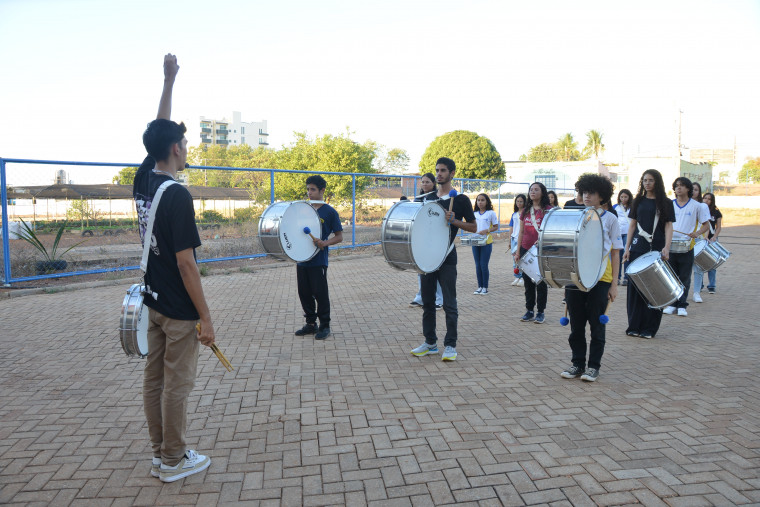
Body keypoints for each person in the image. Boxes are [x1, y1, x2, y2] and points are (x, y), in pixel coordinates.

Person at [133, 54, 215, 483]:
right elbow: (187, 264)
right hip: (180, 308)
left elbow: (157, 133)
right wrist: (205, 318)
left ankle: (160, 451)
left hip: (154, 301)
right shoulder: (179, 196)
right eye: (183, 144)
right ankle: (173, 459)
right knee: (176, 385)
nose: (186, 149)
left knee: (154, 380)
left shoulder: (144, 178)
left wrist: (168, 81)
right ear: (176, 149)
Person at [410, 157, 476, 361]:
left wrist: (454, 220)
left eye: (443, 170)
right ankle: (430, 343)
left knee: (449, 303)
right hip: (426, 258)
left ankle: (450, 345)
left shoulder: (461, 199)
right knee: (428, 302)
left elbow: (473, 227)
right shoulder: (426, 198)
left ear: (452, 173)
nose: (439, 174)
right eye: (437, 170)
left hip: (447, 257)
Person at [560, 174, 622, 382]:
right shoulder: (576, 215)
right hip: (576, 278)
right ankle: (577, 363)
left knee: (597, 325)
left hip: (601, 278)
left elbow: (615, 252)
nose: (586, 196)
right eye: (584, 192)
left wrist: (614, 284)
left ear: (602, 196)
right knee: (576, 325)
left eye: (591, 193)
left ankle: (593, 366)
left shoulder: (611, 219)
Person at [622, 169, 675, 339]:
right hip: (638, 248)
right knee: (635, 288)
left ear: (657, 182)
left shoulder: (666, 203)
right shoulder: (638, 201)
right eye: (645, 180)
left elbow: (668, 226)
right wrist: (627, 248)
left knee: (655, 289)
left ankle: (650, 328)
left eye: (651, 180)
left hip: (657, 249)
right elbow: (632, 225)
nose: (647, 183)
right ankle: (634, 326)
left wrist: (667, 247)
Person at [294, 175, 344, 340]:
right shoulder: (303, 209)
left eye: (313, 189)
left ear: (322, 190)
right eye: (308, 189)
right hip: (302, 259)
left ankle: (325, 325)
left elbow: (339, 237)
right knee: (304, 293)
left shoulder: (329, 212)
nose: (309, 193)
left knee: (320, 293)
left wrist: (324, 243)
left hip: (318, 260)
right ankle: (310, 324)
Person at [661, 177, 709, 316]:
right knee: (671, 276)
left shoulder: (696, 206)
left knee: (684, 277)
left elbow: (706, 225)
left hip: (686, 247)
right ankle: (672, 304)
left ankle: (682, 305)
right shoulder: (669, 204)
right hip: (670, 246)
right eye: (676, 186)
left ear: (688, 188)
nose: (678, 188)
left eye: (682, 186)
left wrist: (697, 233)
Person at [513, 182, 552, 324]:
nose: (532, 192)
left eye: (536, 189)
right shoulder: (526, 210)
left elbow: (551, 231)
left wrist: (542, 242)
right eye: (531, 190)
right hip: (525, 249)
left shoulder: (548, 210)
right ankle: (529, 310)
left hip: (540, 251)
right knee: (528, 283)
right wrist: (517, 252)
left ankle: (541, 312)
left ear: (543, 192)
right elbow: (521, 232)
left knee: (541, 282)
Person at [410, 173, 443, 308]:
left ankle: (439, 300)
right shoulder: (418, 199)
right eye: (422, 182)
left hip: (433, 239)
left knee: (435, 270)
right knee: (421, 270)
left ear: (433, 183)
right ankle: (421, 297)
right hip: (420, 240)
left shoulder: (437, 199)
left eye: (427, 182)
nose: (424, 184)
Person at [694, 192, 722, 296]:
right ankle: (699, 285)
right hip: (701, 239)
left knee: (712, 263)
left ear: (712, 201)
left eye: (709, 199)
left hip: (712, 240)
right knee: (699, 263)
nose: (706, 200)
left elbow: (718, 227)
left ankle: (711, 285)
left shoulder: (716, 212)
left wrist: (714, 237)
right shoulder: (699, 210)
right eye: (705, 198)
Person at [472, 193, 499, 294]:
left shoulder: (491, 213)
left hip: (486, 242)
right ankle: (479, 286)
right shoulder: (474, 213)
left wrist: (487, 230)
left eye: (482, 200)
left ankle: (485, 287)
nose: (480, 202)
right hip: (475, 241)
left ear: (487, 201)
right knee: (477, 265)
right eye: (478, 200)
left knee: (483, 265)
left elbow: (496, 226)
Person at [690, 182, 709, 303]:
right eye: (691, 189)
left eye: (696, 189)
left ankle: (696, 292)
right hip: (684, 240)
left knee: (698, 268)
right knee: (683, 268)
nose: (693, 191)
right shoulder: (681, 204)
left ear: (699, 192)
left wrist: (703, 237)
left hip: (697, 239)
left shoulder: (702, 206)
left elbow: (706, 224)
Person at [614, 189, 633, 286]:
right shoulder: (615, 207)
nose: (623, 199)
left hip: (628, 233)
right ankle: (616, 277)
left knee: (626, 256)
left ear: (629, 197)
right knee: (617, 255)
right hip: (618, 234)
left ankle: (625, 277)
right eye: (621, 197)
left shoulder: (632, 207)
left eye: (625, 197)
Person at [509, 194, 526, 287]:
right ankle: (517, 276)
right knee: (514, 259)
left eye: (521, 201)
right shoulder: (514, 214)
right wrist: (509, 240)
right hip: (514, 239)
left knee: (521, 258)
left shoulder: (525, 213)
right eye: (517, 201)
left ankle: (523, 277)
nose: (519, 203)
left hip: (522, 239)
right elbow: (511, 227)